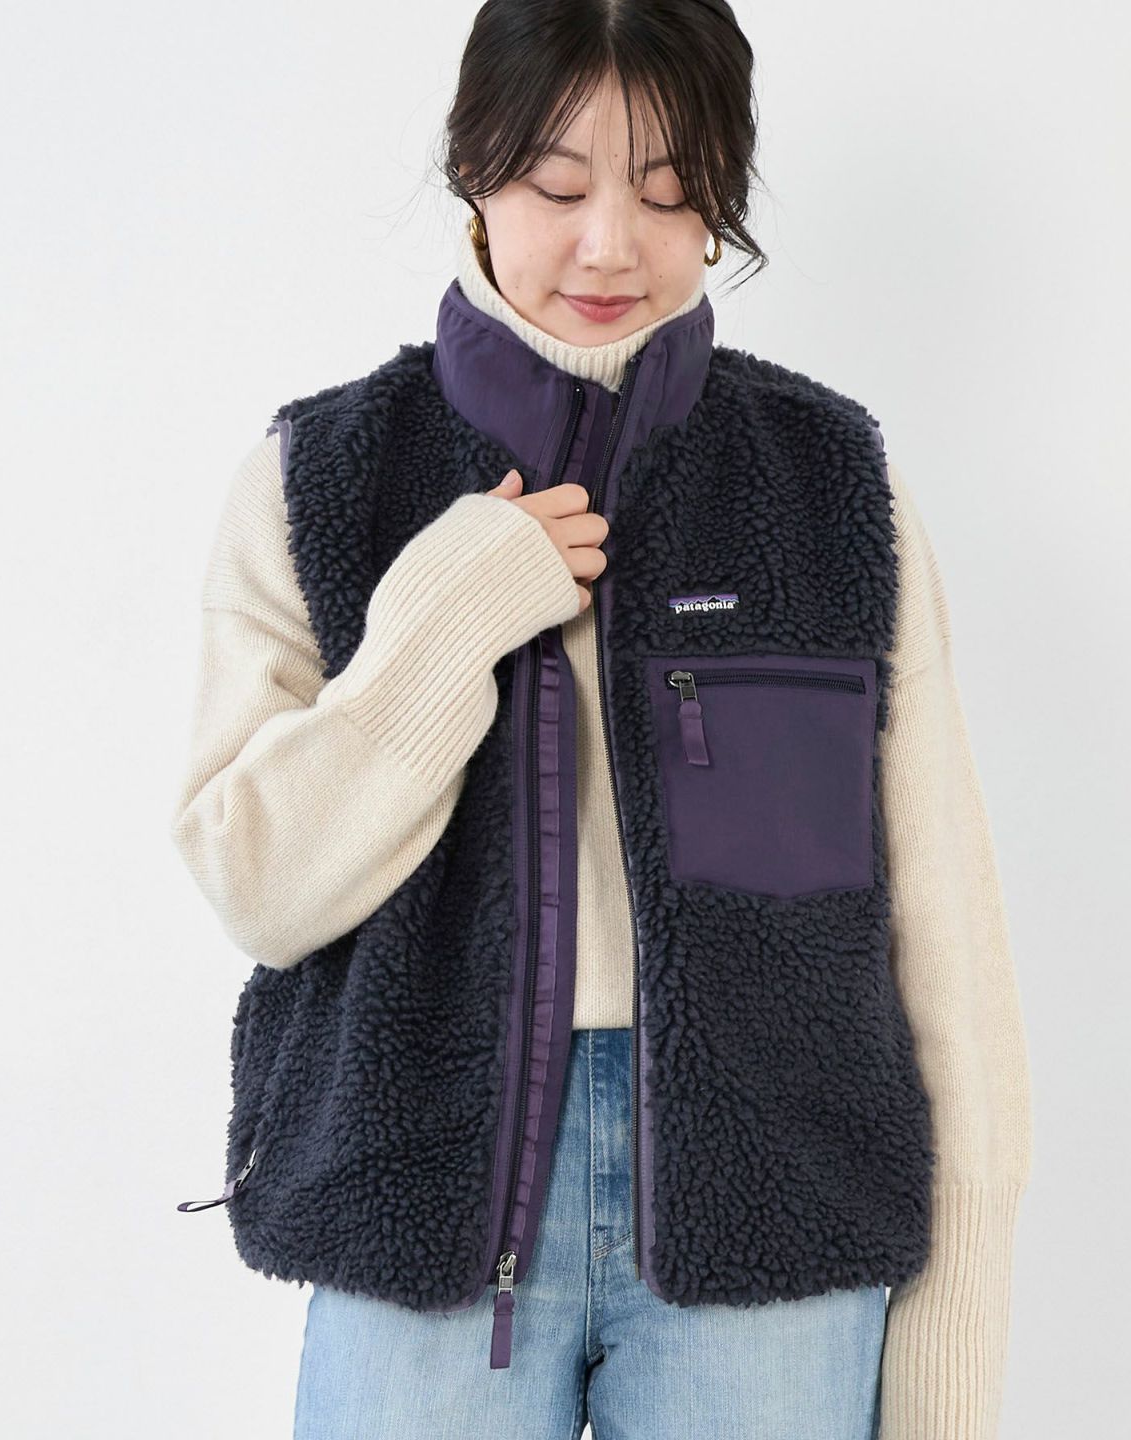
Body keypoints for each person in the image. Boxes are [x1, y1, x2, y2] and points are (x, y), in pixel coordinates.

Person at [169, 3, 1033, 1437]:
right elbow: (261, 888)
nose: (611, 247)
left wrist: (950, 1379)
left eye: (673, 193)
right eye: (558, 187)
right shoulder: (320, 475)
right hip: (418, 1213)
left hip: (772, 1225)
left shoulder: (833, 485)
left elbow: (950, 958)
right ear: (475, 171)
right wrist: (445, 621)